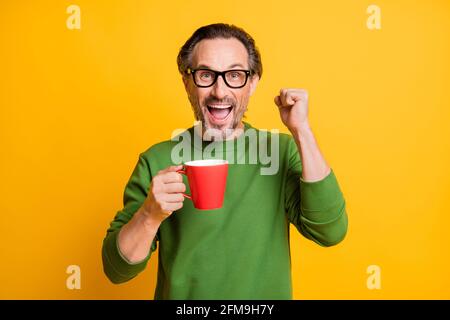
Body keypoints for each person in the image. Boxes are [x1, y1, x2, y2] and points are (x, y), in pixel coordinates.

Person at [102, 23, 348, 299]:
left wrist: (302, 130)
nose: (220, 91)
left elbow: (330, 231)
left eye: (234, 75)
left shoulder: (280, 151)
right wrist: (149, 215)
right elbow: (117, 270)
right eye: (206, 75)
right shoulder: (157, 160)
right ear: (187, 82)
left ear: (252, 83)